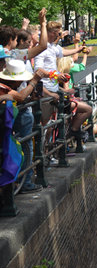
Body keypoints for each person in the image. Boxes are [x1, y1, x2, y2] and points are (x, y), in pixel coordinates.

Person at [34, 21, 91, 139]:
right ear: (52, 33)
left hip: (55, 91)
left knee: (53, 124)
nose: (59, 36)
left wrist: (79, 49)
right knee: (45, 125)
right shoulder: (41, 49)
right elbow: (38, 71)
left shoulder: (52, 47)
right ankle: (44, 153)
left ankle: (71, 133)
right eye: (58, 33)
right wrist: (55, 76)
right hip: (46, 92)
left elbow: (64, 52)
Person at [0, 59, 46, 193]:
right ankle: (24, 183)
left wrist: (30, 99)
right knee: (26, 147)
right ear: (14, 81)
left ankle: (16, 182)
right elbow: (20, 96)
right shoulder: (5, 89)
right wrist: (34, 81)